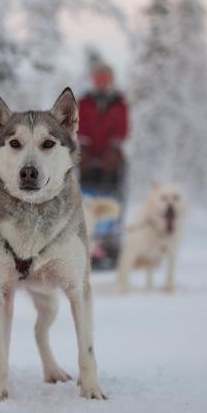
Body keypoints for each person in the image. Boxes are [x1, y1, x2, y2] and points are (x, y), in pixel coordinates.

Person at [78, 61, 130, 268]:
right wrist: (85, 148)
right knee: (86, 198)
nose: (102, 83)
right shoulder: (85, 102)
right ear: (94, 81)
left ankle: (109, 246)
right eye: (99, 79)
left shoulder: (119, 103)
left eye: (105, 80)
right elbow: (78, 125)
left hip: (111, 158)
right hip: (88, 157)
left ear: (111, 81)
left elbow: (123, 128)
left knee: (112, 200)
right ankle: (87, 245)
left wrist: (113, 147)